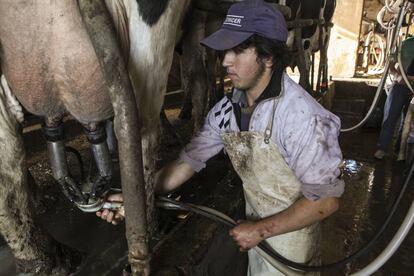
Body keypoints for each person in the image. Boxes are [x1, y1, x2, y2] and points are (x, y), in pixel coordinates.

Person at [97, 0, 345, 274]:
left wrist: (261, 230)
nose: (226, 60)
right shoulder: (227, 111)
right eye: (227, 49)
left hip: (293, 242)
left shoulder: (303, 118)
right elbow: (186, 163)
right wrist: (133, 199)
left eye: (239, 50)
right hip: (255, 232)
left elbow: (325, 201)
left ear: (269, 57)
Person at [374, 57, 414, 160]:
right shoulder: (405, 44)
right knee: (390, 117)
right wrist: (398, 75)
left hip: (412, 89)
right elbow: (390, 61)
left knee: (407, 122)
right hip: (399, 87)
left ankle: (400, 151)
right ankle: (382, 149)